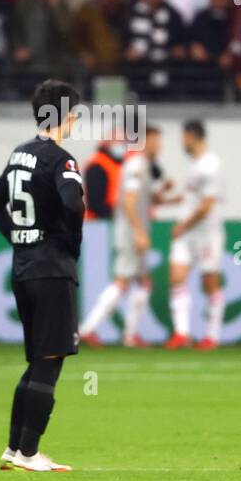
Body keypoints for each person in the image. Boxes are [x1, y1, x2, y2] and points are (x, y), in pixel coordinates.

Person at [0, 80, 84, 472]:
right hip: (51, 269)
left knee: (38, 358)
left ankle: (13, 448)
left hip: (24, 268)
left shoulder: (19, 154)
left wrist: (19, 239)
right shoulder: (62, 160)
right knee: (51, 358)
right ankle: (29, 452)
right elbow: (73, 202)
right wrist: (69, 243)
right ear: (66, 116)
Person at [78, 125, 167, 348]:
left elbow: (141, 201)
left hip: (136, 230)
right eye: (155, 140)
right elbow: (127, 203)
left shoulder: (142, 165)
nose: (159, 146)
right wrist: (139, 233)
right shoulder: (136, 166)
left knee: (144, 282)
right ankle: (87, 329)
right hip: (130, 232)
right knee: (123, 280)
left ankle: (130, 335)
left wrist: (168, 197)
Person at [166, 120, 226, 350]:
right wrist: (164, 200)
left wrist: (183, 226)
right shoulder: (195, 165)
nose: (182, 142)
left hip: (205, 232)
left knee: (209, 281)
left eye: (183, 137)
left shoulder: (211, 164)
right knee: (176, 276)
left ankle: (212, 335)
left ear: (192, 136)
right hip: (187, 231)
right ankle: (182, 333)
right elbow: (189, 199)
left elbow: (207, 205)